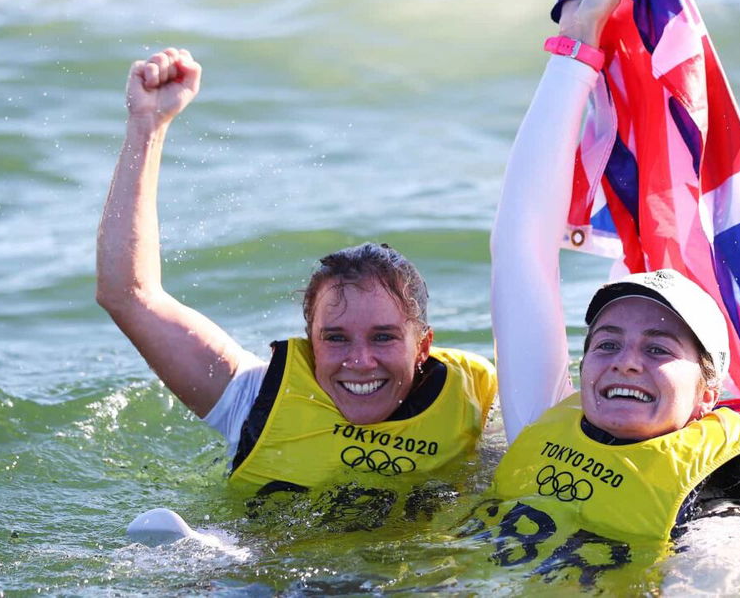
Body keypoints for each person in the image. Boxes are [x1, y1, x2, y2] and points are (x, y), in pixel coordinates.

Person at [465, 0, 740, 584]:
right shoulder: (544, 420)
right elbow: (521, 251)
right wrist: (576, 46)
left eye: (659, 348)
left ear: (708, 393)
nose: (625, 360)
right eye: (605, 342)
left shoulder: (721, 494)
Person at [96, 49, 497, 529]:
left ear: (423, 346)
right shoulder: (253, 400)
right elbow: (129, 293)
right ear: (310, 342)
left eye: (384, 337)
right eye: (336, 337)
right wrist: (148, 125)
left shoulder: (479, 413)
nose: (360, 361)